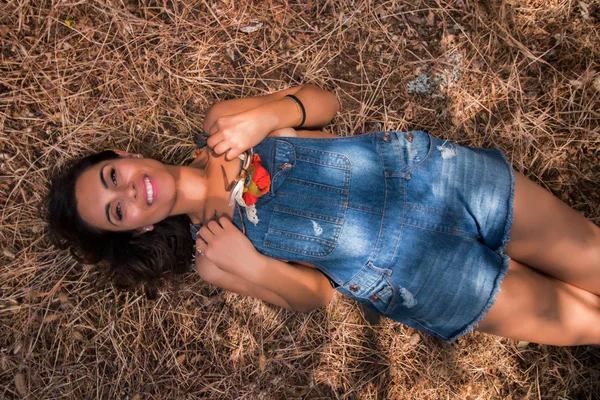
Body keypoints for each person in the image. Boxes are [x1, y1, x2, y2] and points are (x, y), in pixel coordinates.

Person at [48, 85, 600, 346]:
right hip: (417, 278)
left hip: (437, 177)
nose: (132, 194)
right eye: (117, 213)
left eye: (112, 178)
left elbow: (327, 103)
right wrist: (256, 266)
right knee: (588, 323)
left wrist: (265, 116)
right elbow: (317, 297)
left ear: (123, 159)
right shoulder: (214, 256)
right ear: (138, 228)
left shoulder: (222, 123)